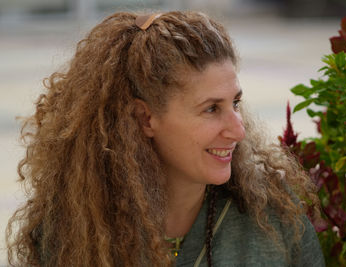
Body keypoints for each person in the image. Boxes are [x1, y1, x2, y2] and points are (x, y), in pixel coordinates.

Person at [6, 11, 325, 266]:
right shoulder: (76, 228)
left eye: (235, 104)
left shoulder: (271, 214)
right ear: (145, 119)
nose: (238, 130)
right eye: (212, 108)